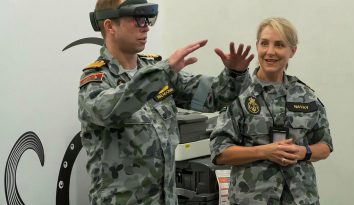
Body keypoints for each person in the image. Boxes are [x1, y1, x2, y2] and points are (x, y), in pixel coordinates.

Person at [78, 0, 254, 204]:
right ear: (110, 26)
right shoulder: (96, 81)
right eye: (137, 18)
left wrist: (235, 73)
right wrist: (163, 71)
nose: (145, 25)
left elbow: (211, 98)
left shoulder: (157, 71)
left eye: (147, 18)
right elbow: (111, 110)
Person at [209, 17, 333, 205]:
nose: (270, 52)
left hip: (300, 198)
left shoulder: (306, 95)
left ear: (292, 51)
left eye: (280, 45)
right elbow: (220, 152)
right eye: (264, 43)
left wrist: (302, 152)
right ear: (257, 46)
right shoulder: (238, 93)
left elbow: (325, 146)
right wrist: (265, 152)